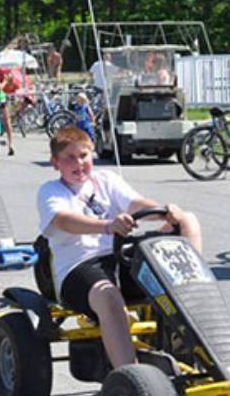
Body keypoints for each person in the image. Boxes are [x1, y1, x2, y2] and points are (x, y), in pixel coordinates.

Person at [38, 126, 202, 369]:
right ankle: (131, 377)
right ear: (55, 163)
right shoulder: (51, 191)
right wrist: (107, 226)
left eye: (83, 156)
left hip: (120, 257)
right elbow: (64, 220)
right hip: (80, 269)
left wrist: (165, 212)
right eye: (69, 158)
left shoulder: (106, 180)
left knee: (187, 219)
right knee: (109, 295)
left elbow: (136, 204)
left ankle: (189, 307)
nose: (79, 163)